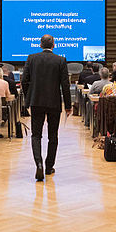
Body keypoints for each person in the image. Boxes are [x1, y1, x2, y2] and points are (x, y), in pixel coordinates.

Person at [20, 34, 71, 182]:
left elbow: (24, 81)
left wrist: (28, 98)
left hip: (36, 101)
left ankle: (39, 164)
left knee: (36, 135)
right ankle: (49, 166)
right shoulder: (60, 60)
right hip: (54, 102)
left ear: (40, 45)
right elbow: (65, 85)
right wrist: (68, 105)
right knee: (53, 136)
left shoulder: (31, 58)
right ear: (53, 45)